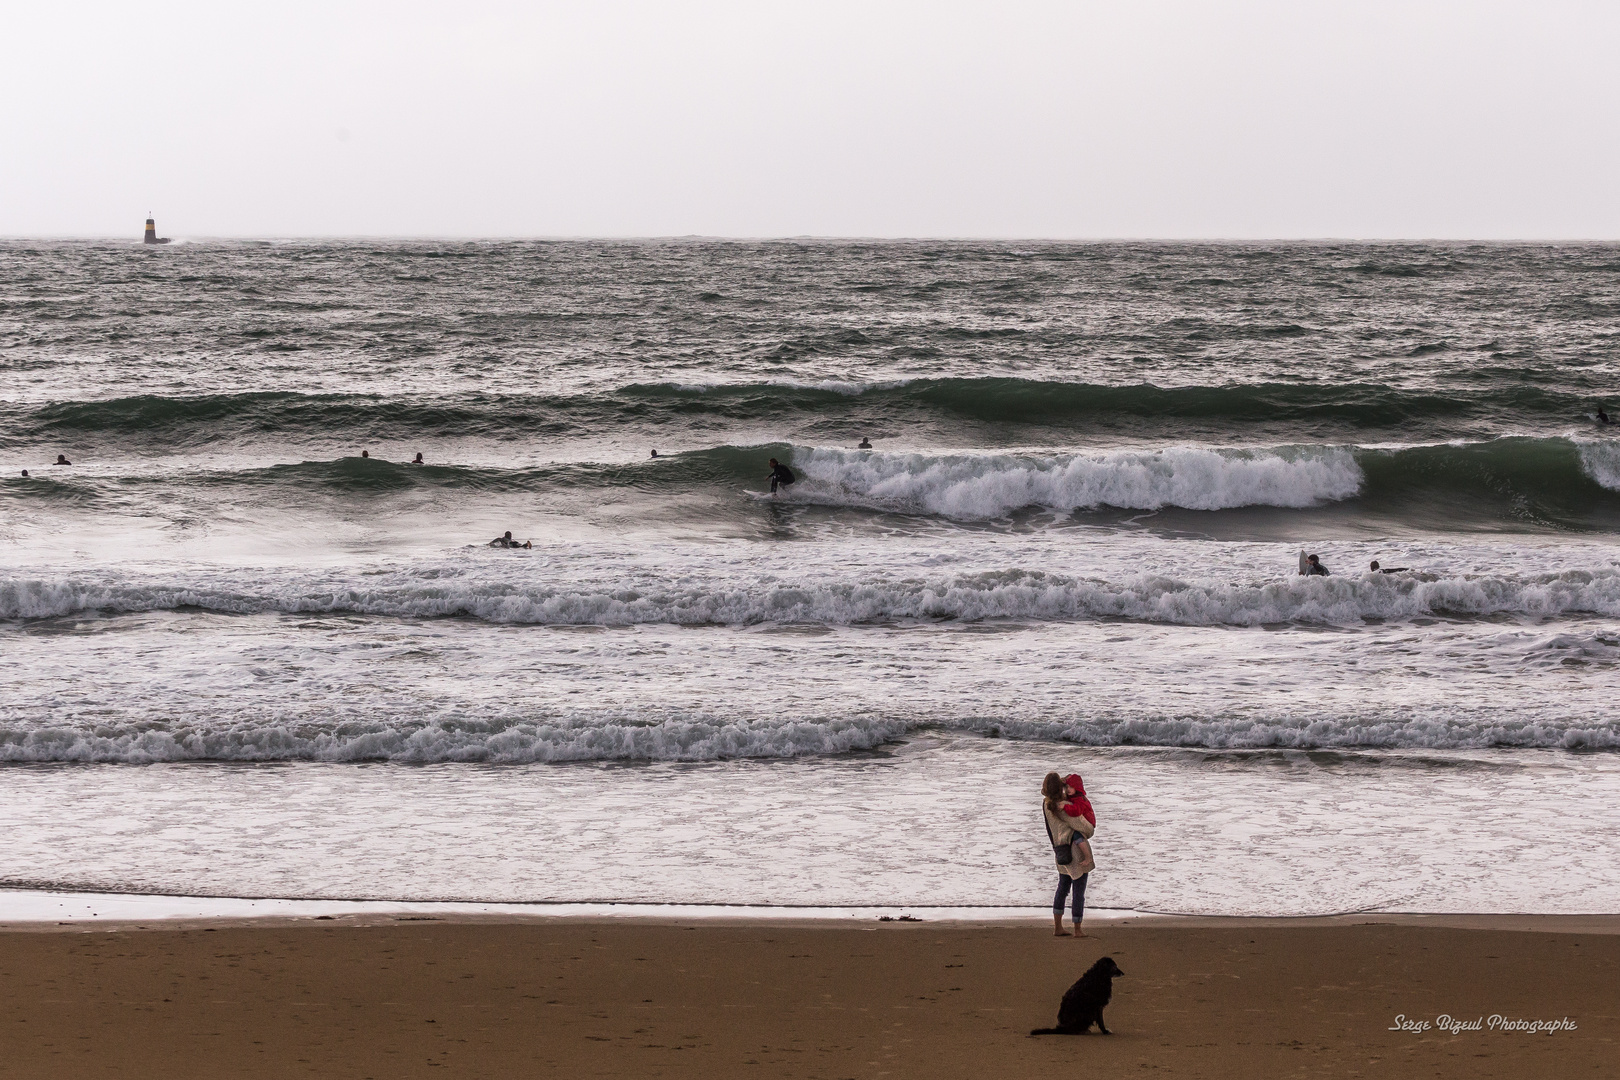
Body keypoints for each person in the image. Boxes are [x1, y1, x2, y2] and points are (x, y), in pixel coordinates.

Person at [1042, 772, 1097, 938]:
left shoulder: (1046, 804)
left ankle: (1058, 927)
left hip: (1060, 851)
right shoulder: (1063, 806)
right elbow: (1087, 828)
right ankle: (1078, 929)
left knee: (1062, 888)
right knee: (1078, 891)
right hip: (1075, 852)